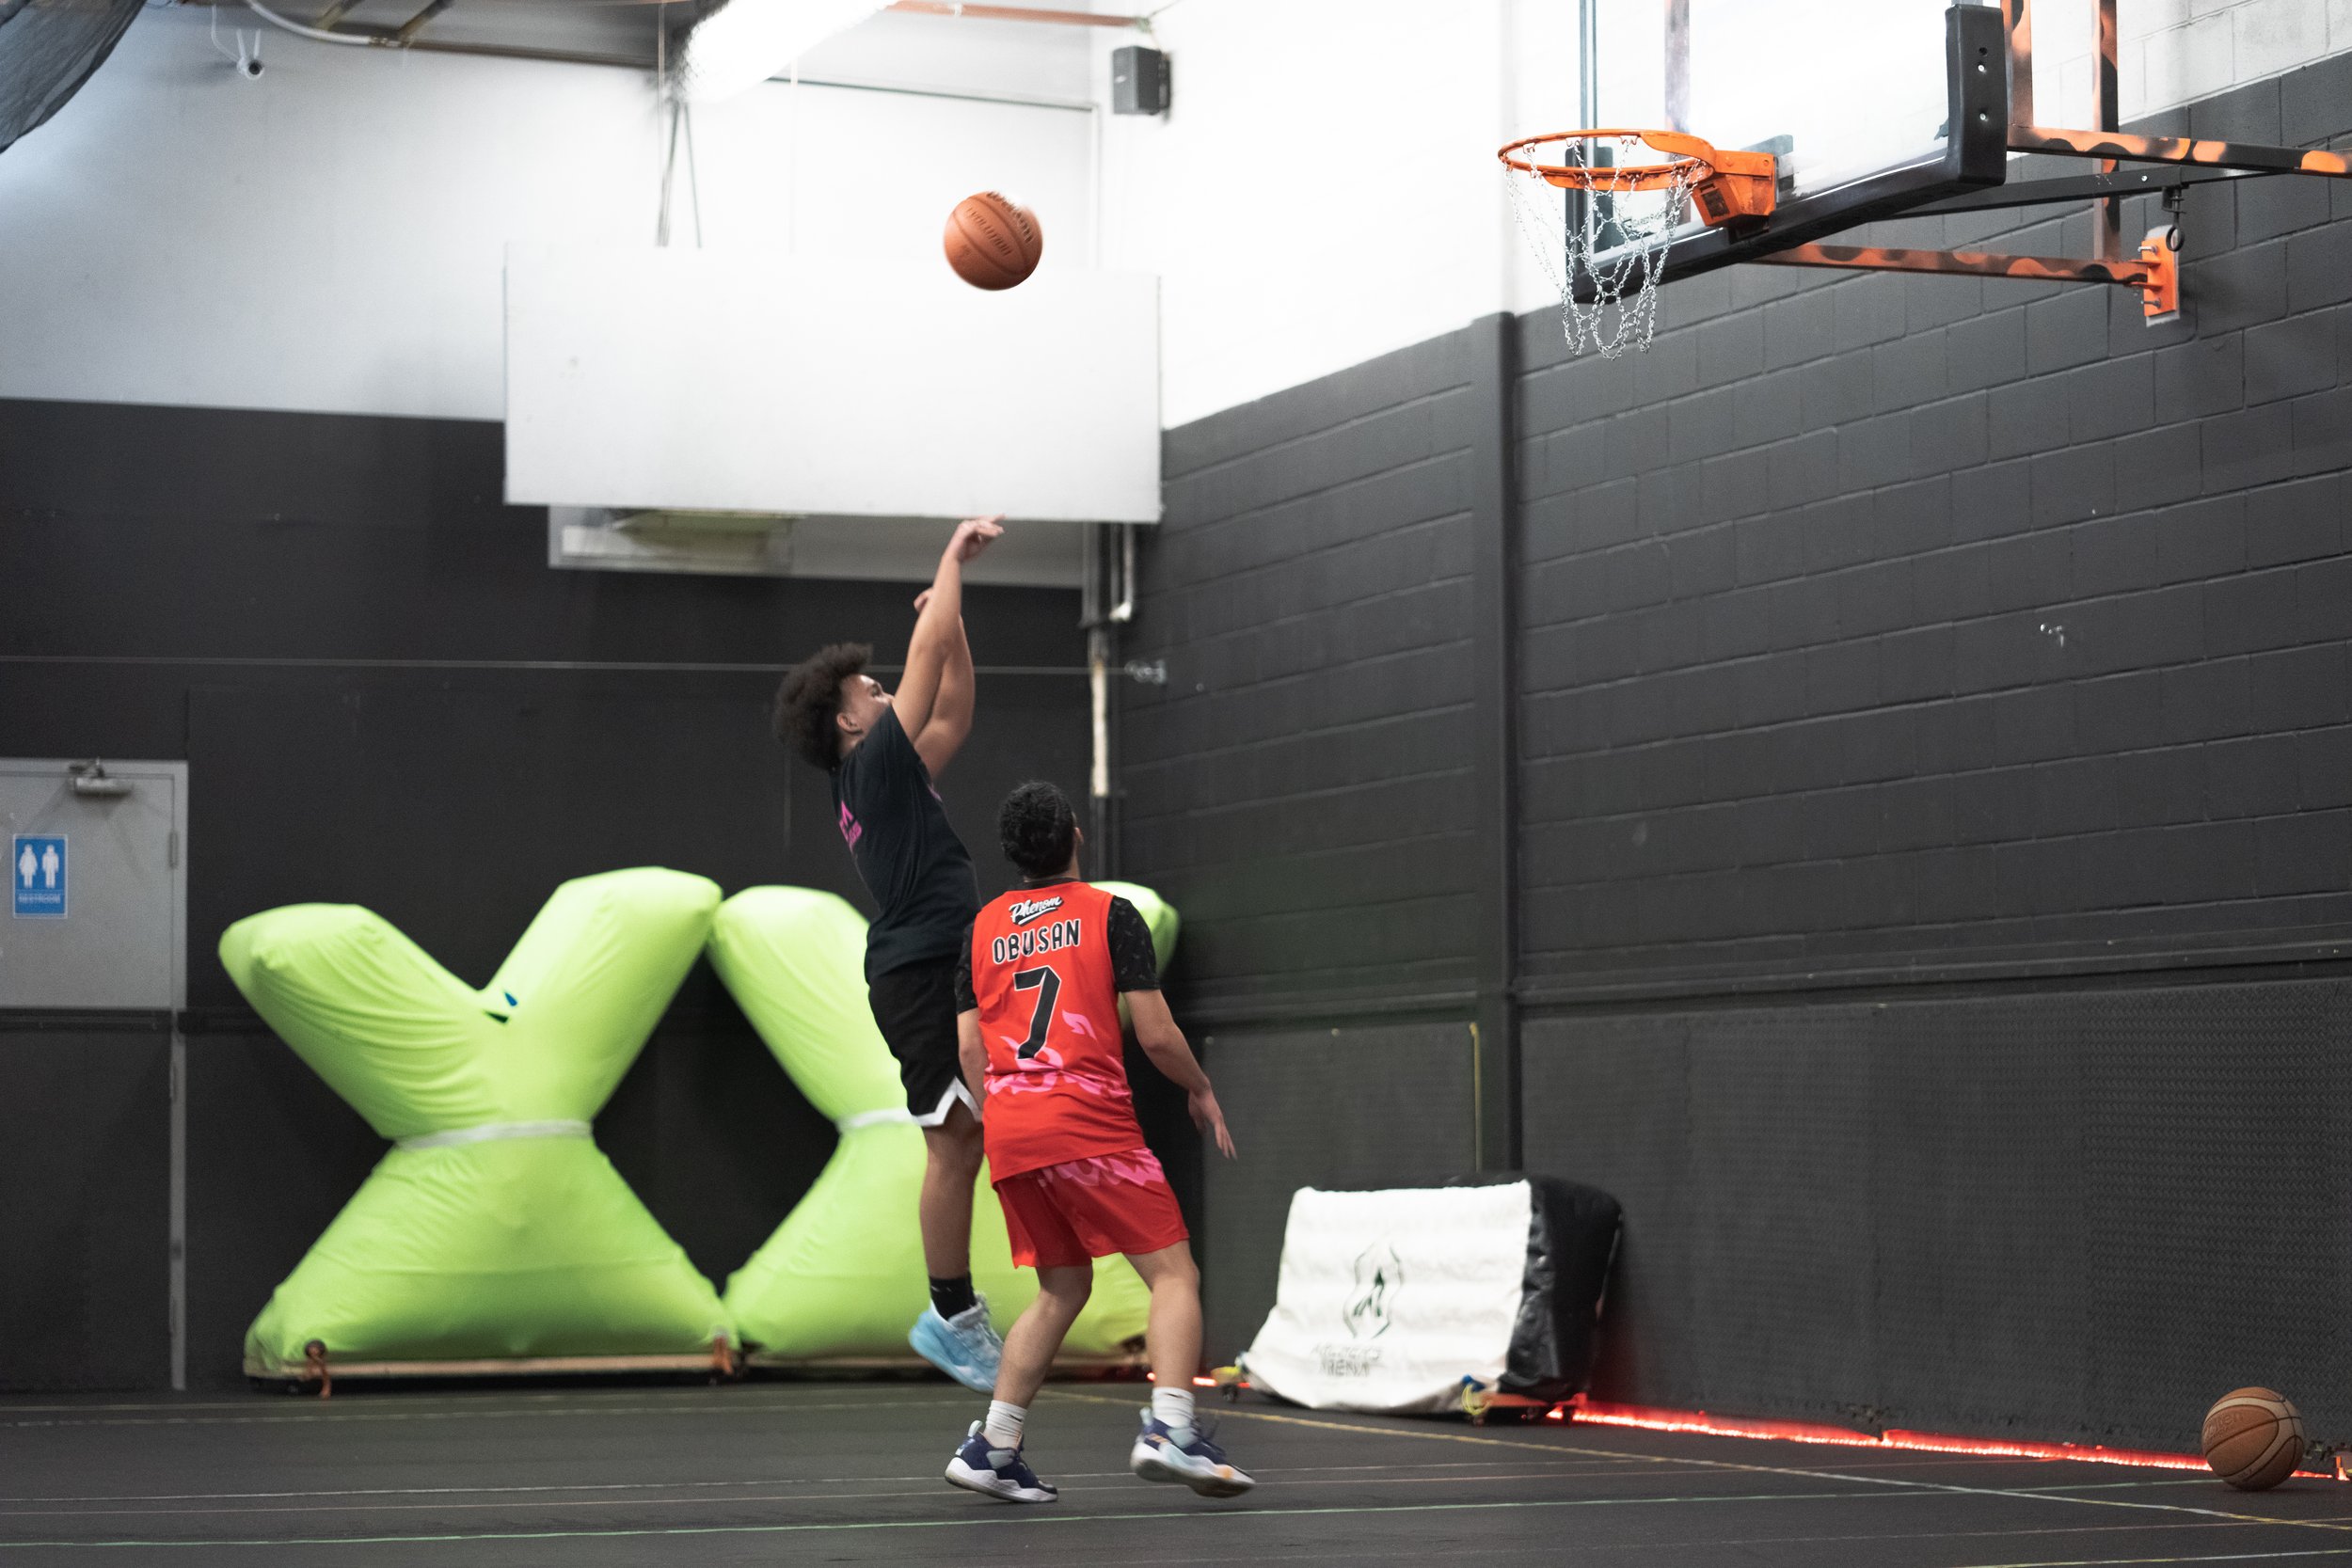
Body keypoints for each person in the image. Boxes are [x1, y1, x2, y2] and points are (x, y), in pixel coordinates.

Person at [943, 780, 1251, 1505]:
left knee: (1061, 1286)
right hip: (1086, 1119)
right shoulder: (1111, 914)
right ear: (1075, 833)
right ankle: (1172, 1428)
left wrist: (1006, 1119)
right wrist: (1199, 1086)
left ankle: (993, 1445)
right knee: (1174, 1274)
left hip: (1012, 1127)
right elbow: (1155, 1033)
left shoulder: (982, 926)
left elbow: (967, 1049)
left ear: (1013, 855)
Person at [771, 515, 1007, 1391]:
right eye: (870, 689)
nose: (881, 691)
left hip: (946, 964)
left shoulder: (890, 774)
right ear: (847, 718)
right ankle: (950, 1315)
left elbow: (952, 706)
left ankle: (956, 1310)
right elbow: (926, 655)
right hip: (917, 973)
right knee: (954, 1147)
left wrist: (957, 623)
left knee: (974, 1136)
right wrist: (950, 562)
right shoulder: (866, 769)